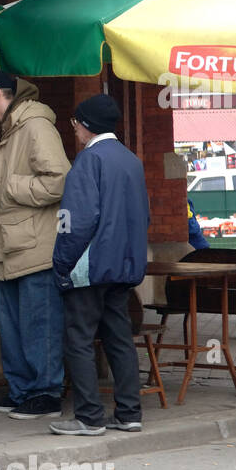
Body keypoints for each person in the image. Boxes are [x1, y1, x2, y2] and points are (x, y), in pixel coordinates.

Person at [0, 68, 71, 421]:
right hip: (11, 246)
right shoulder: (8, 130)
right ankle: (22, 391)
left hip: (36, 248)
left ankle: (45, 394)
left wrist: (8, 187)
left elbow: (59, 181)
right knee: (13, 327)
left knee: (38, 325)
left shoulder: (35, 126)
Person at [50, 94, 150, 436]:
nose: (74, 128)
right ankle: (129, 412)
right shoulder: (132, 161)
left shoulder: (87, 161)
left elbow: (74, 221)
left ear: (87, 125)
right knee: (119, 338)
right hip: (124, 266)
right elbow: (143, 217)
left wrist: (61, 263)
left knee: (78, 340)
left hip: (88, 267)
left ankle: (89, 416)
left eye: (76, 123)